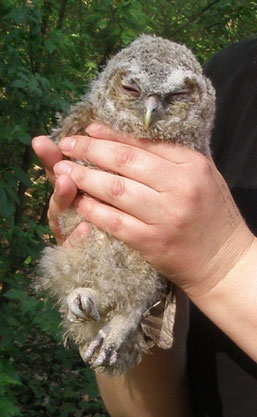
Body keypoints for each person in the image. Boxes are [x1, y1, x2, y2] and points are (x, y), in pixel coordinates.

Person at [32, 39, 257, 416]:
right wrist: (103, 271)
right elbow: (145, 409)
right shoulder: (233, 73)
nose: (151, 110)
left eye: (174, 98)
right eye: (131, 90)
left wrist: (223, 263)